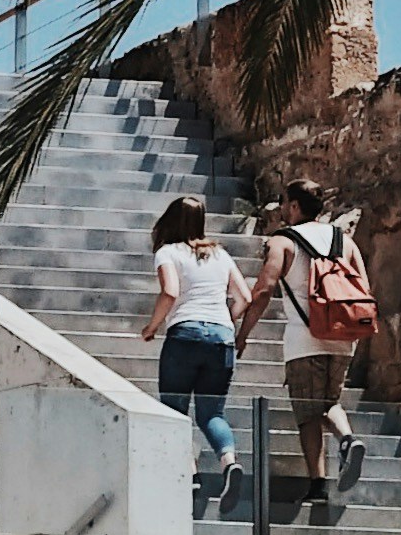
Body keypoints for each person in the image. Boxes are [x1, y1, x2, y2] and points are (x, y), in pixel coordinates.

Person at [244, 191, 365, 504]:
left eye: (285, 203)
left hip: (304, 339)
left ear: (295, 205)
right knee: (329, 401)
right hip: (342, 336)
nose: (283, 209)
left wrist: (243, 332)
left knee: (308, 414)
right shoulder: (344, 241)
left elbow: (264, 290)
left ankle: (318, 486)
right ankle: (348, 438)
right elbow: (363, 289)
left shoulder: (282, 241)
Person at [143, 193, 245, 502]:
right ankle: (229, 463)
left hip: (184, 336)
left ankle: (190, 477)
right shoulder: (220, 255)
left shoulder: (167, 252)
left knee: (175, 412)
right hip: (221, 338)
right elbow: (245, 298)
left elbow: (170, 292)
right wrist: (223, 323)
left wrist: (152, 326)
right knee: (212, 412)